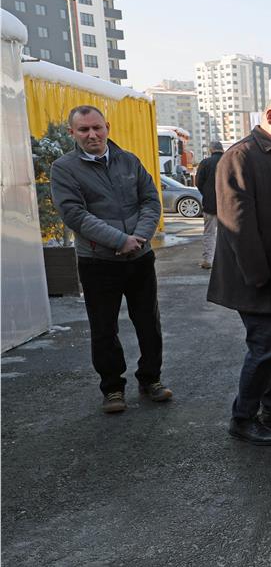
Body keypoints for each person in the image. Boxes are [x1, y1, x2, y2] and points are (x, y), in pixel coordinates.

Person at [50, 105, 172, 414]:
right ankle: (113, 388)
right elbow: (75, 214)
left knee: (148, 323)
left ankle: (151, 379)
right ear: (72, 133)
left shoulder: (128, 160)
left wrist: (139, 238)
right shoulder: (64, 169)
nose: (92, 134)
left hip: (140, 259)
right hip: (98, 262)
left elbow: (149, 200)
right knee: (104, 328)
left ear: (107, 127)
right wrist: (120, 240)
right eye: (83, 130)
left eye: (96, 127)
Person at [207, 97, 271, 445]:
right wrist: (261, 277)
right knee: (267, 344)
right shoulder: (241, 156)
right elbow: (237, 223)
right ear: (270, 116)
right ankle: (243, 417)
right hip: (254, 276)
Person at [195, 141, 224, 269]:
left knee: (209, 233)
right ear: (221, 149)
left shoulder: (205, 163)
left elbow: (198, 182)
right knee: (229, 235)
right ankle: (228, 262)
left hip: (210, 204)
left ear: (211, 150)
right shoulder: (230, 160)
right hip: (228, 205)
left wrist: (207, 193)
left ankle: (208, 260)